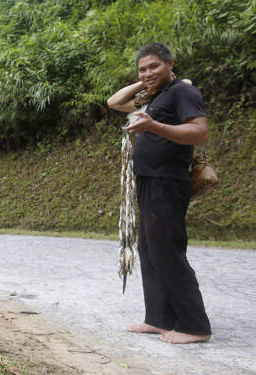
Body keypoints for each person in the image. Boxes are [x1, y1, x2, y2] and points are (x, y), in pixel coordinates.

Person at [107, 43, 211, 344]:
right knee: (149, 251)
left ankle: (195, 326)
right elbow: (115, 101)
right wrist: (145, 82)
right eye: (142, 68)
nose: (148, 72)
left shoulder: (182, 92)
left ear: (170, 63)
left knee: (167, 251)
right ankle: (159, 318)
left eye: (154, 66)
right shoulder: (155, 96)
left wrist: (154, 126)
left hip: (168, 180)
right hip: (149, 180)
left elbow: (199, 131)